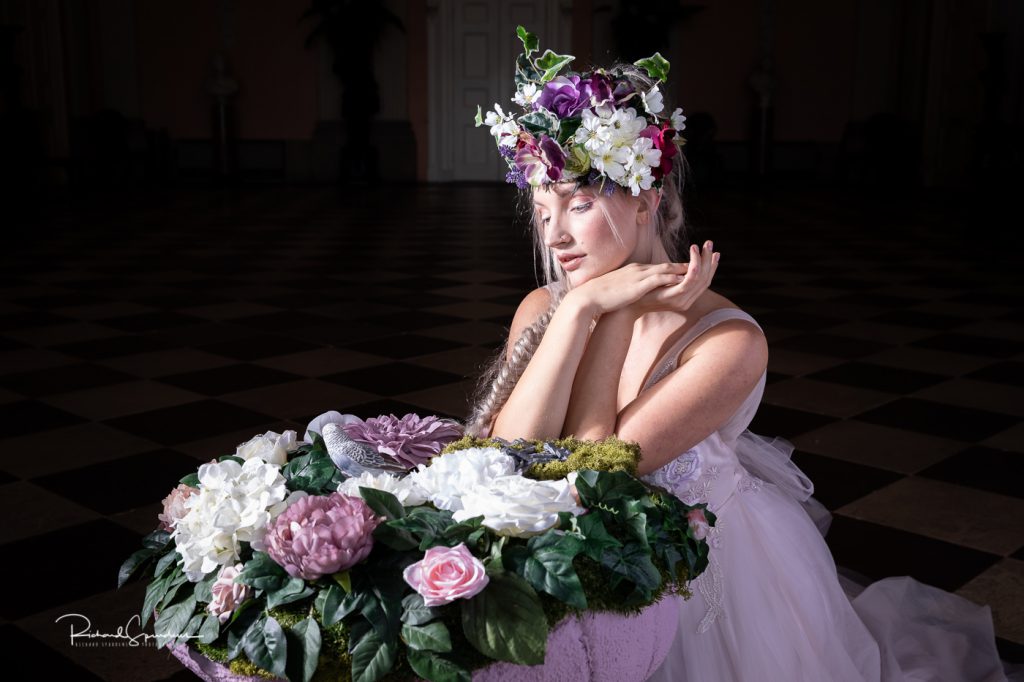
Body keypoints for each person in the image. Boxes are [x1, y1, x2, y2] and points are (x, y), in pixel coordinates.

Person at [466, 27, 1014, 682]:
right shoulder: (546, 307)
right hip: (564, 557)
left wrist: (607, 316)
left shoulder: (729, 344)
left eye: (580, 204)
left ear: (644, 201)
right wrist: (586, 307)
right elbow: (502, 461)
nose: (556, 236)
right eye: (540, 207)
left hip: (692, 577)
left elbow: (597, 476)